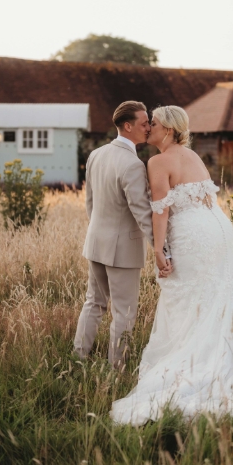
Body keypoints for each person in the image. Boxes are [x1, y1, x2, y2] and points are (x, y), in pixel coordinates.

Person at [111, 105, 233, 425]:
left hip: (193, 236)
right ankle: (229, 359)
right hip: (219, 231)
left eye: (152, 124)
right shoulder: (193, 156)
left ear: (167, 129)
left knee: (186, 296)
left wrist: (158, 250)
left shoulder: (157, 161)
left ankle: (195, 366)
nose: (148, 128)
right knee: (216, 294)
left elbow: (160, 211)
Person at [73, 101, 172, 369]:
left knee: (93, 303)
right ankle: (117, 371)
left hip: (95, 242)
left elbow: (89, 204)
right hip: (122, 251)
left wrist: (99, 233)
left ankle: (78, 359)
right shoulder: (132, 164)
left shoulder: (97, 154)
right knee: (124, 312)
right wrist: (160, 249)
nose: (148, 126)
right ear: (128, 126)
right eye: (144, 123)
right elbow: (142, 213)